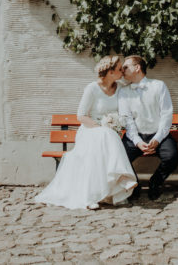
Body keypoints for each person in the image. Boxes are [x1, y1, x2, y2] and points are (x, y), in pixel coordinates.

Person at [33, 55, 138, 210]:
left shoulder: (121, 88)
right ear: (110, 72)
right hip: (90, 129)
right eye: (119, 69)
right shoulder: (92, 89)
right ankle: (95, 193)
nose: (122, 71)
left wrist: (112, 125)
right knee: (105, 136)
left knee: (107, 137)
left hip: (108, 133)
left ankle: (109, 190)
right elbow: (81, 116)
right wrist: (100, 126)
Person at [118, 55, 178, 200]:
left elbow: (166, 114)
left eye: (126, 67)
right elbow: (127, 120)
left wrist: (158, 138)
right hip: (135, 135)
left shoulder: (159, 86)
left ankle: (155, 182)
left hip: (158, 135)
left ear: (137, 68)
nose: (122, 70)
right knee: (119, 157)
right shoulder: (123, 92)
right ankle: (134, 185)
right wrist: (137, 141)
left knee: (172, 157)